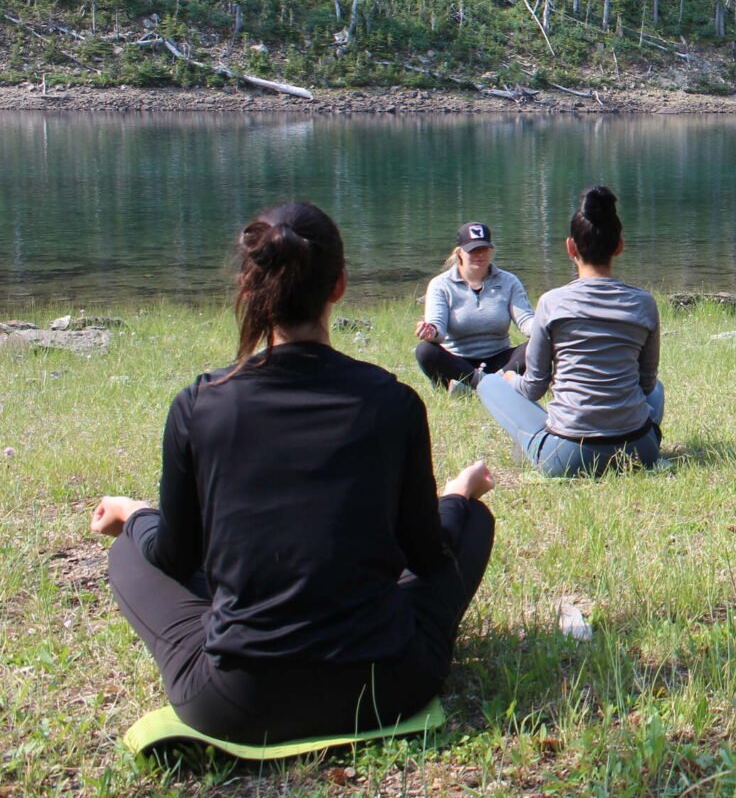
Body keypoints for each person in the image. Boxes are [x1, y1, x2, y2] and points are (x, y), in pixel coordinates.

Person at [89, 201, 496, 745]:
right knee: (471, 521)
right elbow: (426, 557)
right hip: (387, 687)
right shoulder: (392, 403)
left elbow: (174, 557)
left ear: (250, 286)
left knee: (128, 551)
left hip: (235, 702)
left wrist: (137, 515)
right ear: (339, 286)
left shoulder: (200, 405)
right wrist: (454, 498)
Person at [476, 186, 665, 477]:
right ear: (619, 246)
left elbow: (533, 387)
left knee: (489, 384)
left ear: (570, 247)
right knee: (658, 389)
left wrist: (511, 378)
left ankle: (529, 446)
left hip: (568, 456)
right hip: (641, 450)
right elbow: (647, 385)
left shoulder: (552, 303)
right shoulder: (644, 303)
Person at [414, 221, 535, 389]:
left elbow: (526, 321)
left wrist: (544, 328)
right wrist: (430, 331)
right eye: (473, 250)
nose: (480, 254)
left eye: (484, 249)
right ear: (460, 252)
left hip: (500, 360)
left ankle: (490, 383)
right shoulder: (440, 285)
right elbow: (438, 329)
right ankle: (488, 385)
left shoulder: (509, 281)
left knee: (539, 343)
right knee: (425, 351)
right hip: (459, 362)